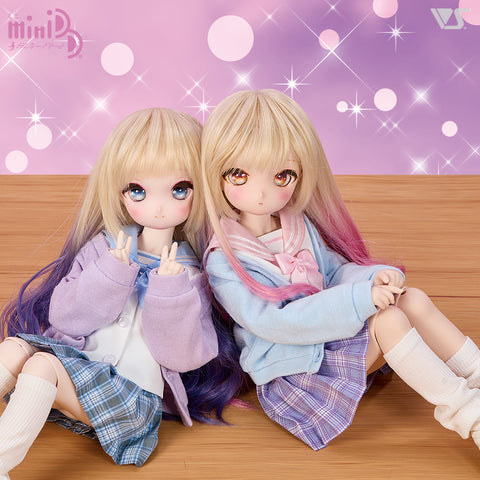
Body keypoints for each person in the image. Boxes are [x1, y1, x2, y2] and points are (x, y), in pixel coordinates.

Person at [201, 88, 480, 451]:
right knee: (390, 321)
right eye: (239, 175)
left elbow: (332, 273)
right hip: (295, 369)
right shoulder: (223, 258)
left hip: (327, 341)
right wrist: (362, 298)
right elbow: (275, 323)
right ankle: (470, 414)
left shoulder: (296, 224)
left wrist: (371, 277)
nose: (261, 193)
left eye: (282, 176)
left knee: (411, 299)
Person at [0, 108, 241, 477]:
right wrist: (111, 272)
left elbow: (181, 357)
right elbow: (65, 318)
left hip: (131, 400)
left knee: (40, 365)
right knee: (14, 349)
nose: (158, 206)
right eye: (138, 190)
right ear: (120, 192)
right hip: (77, 371)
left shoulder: (191, 273)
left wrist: (169, 289)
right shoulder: (105, 247)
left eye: (179, 189)